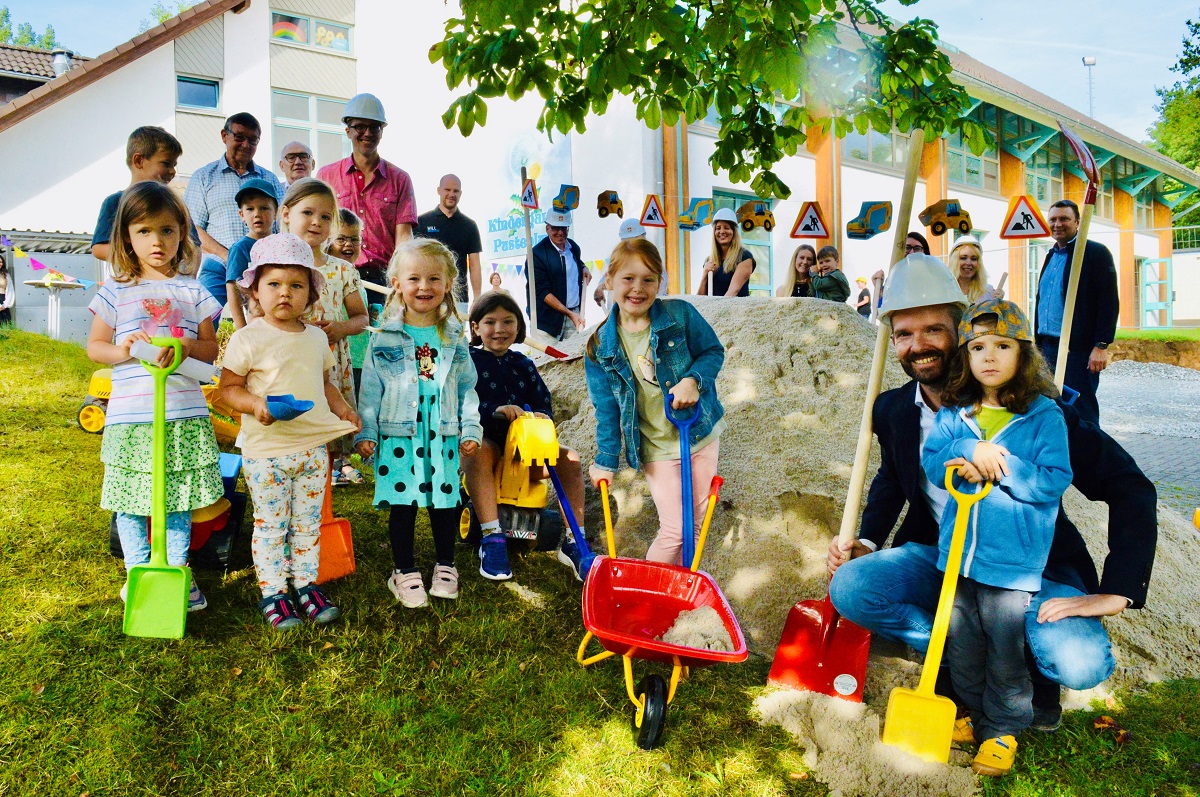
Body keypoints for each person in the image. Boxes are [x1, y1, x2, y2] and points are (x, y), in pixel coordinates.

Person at [827, 254, 1157, 733]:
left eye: (933, 330)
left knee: (1080, 661)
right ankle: (960, 655)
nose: (918, 346)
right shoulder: (893, 409)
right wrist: (869, 541)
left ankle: (1007, 663)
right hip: (944, 560)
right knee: (853, 587)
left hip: (1027, 569)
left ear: (961, 331)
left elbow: (1131, 488)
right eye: (903, 334)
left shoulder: (1040, 414)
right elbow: (893, 480)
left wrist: (1120, 591)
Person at [923, 298, 1072, 777]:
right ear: (965, 356)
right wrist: (969, 447)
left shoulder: (1043, 415)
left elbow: (1052, 479)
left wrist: (998, 466)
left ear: (1022, 353)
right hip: (959, 557)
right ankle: (970, 714)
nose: (989, 356)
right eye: (978, 346)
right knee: (963, 645)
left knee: (1004, 649)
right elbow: (933, 461)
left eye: (1003, 345)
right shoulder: (957, 412)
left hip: (1012, 563)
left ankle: (1004, 727)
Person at [85, 181, 224, 612]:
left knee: (176, 498)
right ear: (126, 235)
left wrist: (180, 346)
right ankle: (139, 570)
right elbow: (95, 347)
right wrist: (125, 351)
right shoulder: (115, 290)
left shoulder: (193, 290)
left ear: (182, 233)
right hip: (132, 415)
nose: (157, 241)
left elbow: (209, 349)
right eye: (144, 231)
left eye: (167, 231)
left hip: (181, 412)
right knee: (130, 497)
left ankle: (177, 571)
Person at [218, 234, 360, 629]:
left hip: (314, 449)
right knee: (271, 525)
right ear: (255, 291)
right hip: (267, 453)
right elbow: (227, 390)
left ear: (311, 294)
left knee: (307, 522)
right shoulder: (247, 338)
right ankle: (274, 592)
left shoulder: (317, 337)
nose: (285, 293)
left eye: (296, 286)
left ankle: (306, 584)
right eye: (274, 284)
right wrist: (256, 405)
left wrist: (344, 408)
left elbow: (325, 382)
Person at [354, 238, 482, 608]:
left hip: (442, 431)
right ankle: (404, 570)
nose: (424, 287)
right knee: (403, 502)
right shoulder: (385, 334)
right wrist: (367, 430)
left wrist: (470, 427)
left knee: (445, 501)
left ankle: (446, 564)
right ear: (397, 283)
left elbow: (466, 387)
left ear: (447, 283)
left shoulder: (454, 336)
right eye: (414, 279)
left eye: (433, 278)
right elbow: (372, 388)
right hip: (400, 433)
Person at [585, 238, 726, 564]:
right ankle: (652, 594)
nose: (638, 288)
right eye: (628, 279)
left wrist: (693, 380)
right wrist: (606, 459)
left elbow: (712, 352)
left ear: (660, 281)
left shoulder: (681, 315)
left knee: (697, 521)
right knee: (675, 529)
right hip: (655, 447)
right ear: (610, 281)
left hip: (700, 433)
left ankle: (682, 588)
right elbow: (606, 409)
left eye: (648, 279)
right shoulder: (599, 347)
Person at [463, 291, 589, 580]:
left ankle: (575, 539)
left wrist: (543, 413)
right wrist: (494, 409)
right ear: (475, 328)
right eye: (490, 322)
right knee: (477, 450)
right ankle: (492, 537)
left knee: (569, 457)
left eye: (508, 321)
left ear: (518, 327)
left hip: (526, 446)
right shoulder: (468, 361)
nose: (499, 329)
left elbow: (542, 399)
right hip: (489, 438)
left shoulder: (524, 364)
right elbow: (462, 400)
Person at [279, 178, 369, 484]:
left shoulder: (342, 269)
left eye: (326, 216)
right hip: (289, 358)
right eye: (308, 213)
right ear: (287, 213)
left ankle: (328, 475)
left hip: (330, 359)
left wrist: (340, 328)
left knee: (328, 416)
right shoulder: (275, 264)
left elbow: (361, 318)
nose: (317, 222)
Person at [184, 113, 286, 308]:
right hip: (218, 269)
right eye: (239, 137)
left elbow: (283, 224)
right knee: (211, 321)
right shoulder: (204, 177)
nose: (246, 145)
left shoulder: (270, 179)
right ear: (225, 136)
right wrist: (229, 256)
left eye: (252, 140)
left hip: (266, 269)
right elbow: (193, 228)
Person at [317, 93, 417, 288]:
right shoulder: (326, 176)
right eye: (360, 127)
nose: (368, 133)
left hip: (384, 280)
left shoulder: (400, 179)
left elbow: (403, 238)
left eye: (374, 127)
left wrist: (401, 281)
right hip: (336, 277)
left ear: (382, 132)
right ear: (348, 131)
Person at [1034, 199, 1119, 426]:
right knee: (1051, 408)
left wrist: (1101, 346)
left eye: (1064, 219)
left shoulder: (1094, 254)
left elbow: (1108, 301)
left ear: (1078, 222)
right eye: (1053, 219)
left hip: (1077, 351)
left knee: (1081, 411)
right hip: (1047, 348)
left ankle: (1093, 459)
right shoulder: (1051, 255)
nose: (1057, 224)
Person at [90, 126, 202, 275]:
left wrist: (188, 279)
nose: (173, 171)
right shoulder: (115, 202)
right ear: (138, 161)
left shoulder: (175, 205)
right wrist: (141, 258)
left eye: (174, 165)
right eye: (166, 163)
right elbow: (99, 249)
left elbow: (194, 248)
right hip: (132, 287)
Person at [417, 174, 483, 315]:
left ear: (460, 193)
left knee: (455, 337)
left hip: (458, 299)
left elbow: (475, 264)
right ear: (439, 190)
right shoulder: (422, 222)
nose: (451, 194)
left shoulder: (469, 225)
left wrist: (477, 298)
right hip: (427, 295)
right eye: (447, 190)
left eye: (456, 191)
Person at [224, 178, 278, 330]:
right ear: (241, 214)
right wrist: (241, 329)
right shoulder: (240, 248)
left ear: (276, 213)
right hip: (258, 322)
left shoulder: (282, 244)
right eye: (250, 209)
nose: (257, 214)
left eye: (264, 208)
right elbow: (232, 289)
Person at [529, 208, 589, 340]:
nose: (560, 233)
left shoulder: (573, 247)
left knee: (572, 359)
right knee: (548, 360)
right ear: (547, 229)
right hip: (547, 323)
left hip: (573, 316)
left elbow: (574, 263)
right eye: (556, 228)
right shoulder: (537, 254)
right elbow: (542, 291)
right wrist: (568, 313)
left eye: (564, 228)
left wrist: (583, 267)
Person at [697, 208, 755, 297]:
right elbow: (700, 298)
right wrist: (705, 274)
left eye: (727, 228)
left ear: (734, 232)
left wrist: (716, 310)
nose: (722, 231)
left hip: (735, 309)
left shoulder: (744, 257)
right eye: (718, 228)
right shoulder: (709, 260)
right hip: (713, 309)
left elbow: (733, 292)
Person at [594, 217, 649, 309]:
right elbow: (607, 280)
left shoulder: (652, 262)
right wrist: (599, 289)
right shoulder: (618, 260)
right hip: (617, 317)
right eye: (627, 242)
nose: (632, 246)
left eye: (635, 241)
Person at [949, 236, 1002, 303]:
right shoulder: (944, 291)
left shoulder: (988, 293)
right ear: (954, 261)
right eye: (963, 258)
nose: (968, 263)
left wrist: (999, 303)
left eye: (974, 259)